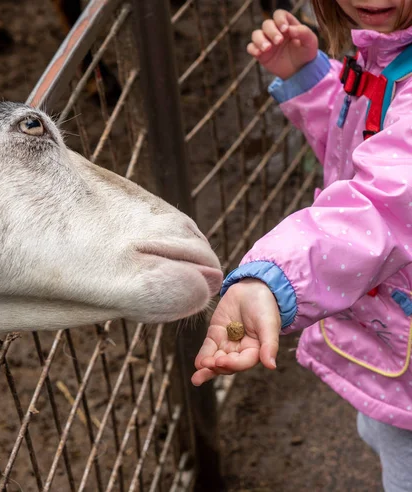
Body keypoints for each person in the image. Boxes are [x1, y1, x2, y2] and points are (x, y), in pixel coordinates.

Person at [192, 2, 412, 490]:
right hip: (390, 337)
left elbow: (385, 205)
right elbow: (366, 145)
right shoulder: (384, 49)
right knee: (376, 427)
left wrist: (274, 280)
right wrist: (311, 79)